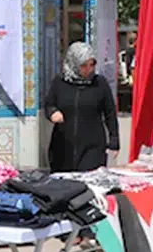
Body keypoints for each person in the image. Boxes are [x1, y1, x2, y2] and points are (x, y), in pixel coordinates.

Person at [43, 42, 119, 172]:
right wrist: (53, 112)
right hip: (63, 147)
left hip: (93, 147)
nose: (88, 69)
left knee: (88, 180)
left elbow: (110, 113)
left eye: (92, 64)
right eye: (84, 65)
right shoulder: (60, 82)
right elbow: (49, 104)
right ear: (73, 63)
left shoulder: (99, 83)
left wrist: (114, 140)